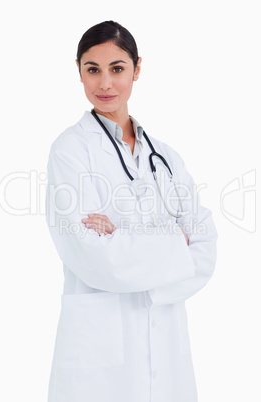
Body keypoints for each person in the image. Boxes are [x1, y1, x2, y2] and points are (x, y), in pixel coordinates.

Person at [46, 20, 217, 402]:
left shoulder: (166, 158)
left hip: (167, 347)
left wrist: (123, 238)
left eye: (117, 69)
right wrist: (176, 242)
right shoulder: (70, 151)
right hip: (99, 354)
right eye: (92, 70)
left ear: (137, 69)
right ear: (79, 72)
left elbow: (205, 250)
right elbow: (91, 256)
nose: (105, 83)